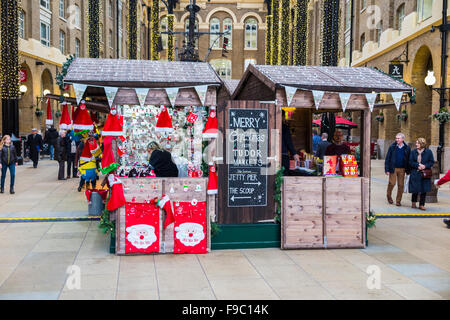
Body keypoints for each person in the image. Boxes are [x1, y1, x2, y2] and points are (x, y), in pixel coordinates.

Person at [384, 133, 411, 206]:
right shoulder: (392, 147)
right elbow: (387, 159)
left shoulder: (407, 148)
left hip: (402, 169)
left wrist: (408, 170)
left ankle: (398, 200)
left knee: (401, 185)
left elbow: (408, 159)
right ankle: (389, 196)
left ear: (402, 139)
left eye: (398, 138)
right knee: (392, 183)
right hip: (393, 168)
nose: (397, 140)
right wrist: (387, 169)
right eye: (396, 138)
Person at [409, 138, 434, 210]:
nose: (416, 144)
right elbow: (410, 162)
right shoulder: (413, 152)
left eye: (418, 143)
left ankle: (421, 204)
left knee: (423, 189)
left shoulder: (429, 152)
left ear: (422, 144)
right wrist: (418, 165)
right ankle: (413, 203)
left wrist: (425, 166)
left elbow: (431, 162)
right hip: (415, 172)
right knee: (415, 188)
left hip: (424, 173)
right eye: (416, 143)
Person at [281, 111, 300, 175]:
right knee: (284, 175)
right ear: (282, 117)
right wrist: (294, 153)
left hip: (272, 155)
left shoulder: (271, 126)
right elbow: (288, 141)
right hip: (284, 155)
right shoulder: (285, 128)